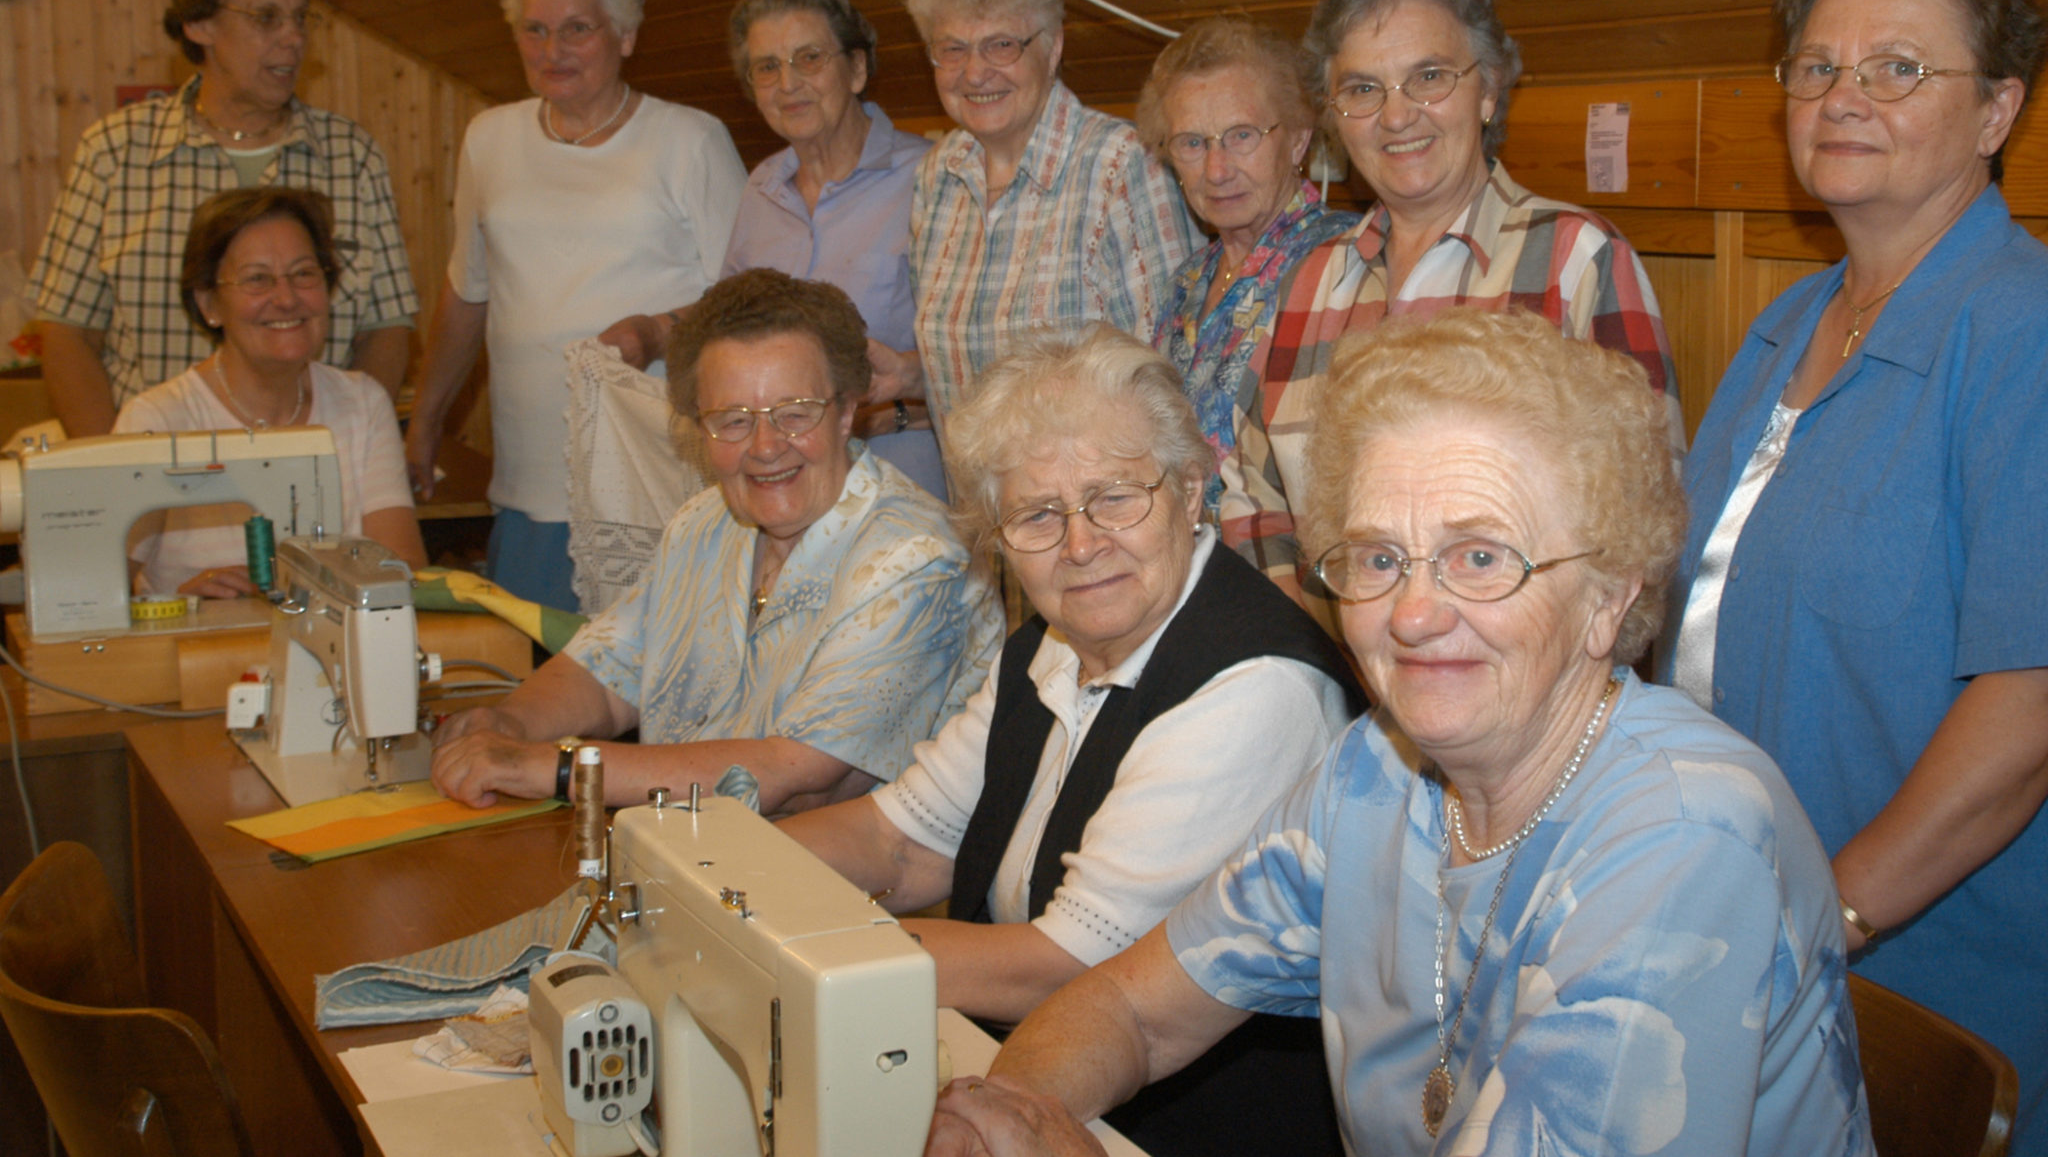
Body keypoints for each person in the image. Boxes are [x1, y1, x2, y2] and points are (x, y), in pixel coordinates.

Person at [931, 309, 1872, 1157]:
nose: (1414, 613)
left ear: (1609, 595)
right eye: (1380, 557)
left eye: (1479, 557)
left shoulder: (1685, 838)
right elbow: (1134, 1009)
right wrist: (1006, 1111)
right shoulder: (1376, 776)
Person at [1663, 0, 2048, 1154]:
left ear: (1995, 108)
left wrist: (1828, 913)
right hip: (1737, 924)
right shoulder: (1781, 325)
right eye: (1816, 65)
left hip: (1925, 971)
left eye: (1896, 67)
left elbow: (2028, 702)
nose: (1842, 95)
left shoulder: (2020, 328)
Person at [780, 324, 1357, 1157]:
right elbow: (897, 840)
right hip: (1015, 1081)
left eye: (1117, 496)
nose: (1082, 544)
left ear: (1192, 491)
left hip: (1179, 1130)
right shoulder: (1052, 643)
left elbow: (1067, 966)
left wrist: (798, 950)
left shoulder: (1256, 686)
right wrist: (724, 874)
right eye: (1038, 513)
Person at [1216, 0, 1681, 635]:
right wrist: (1326, 654)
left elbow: (1646, 517)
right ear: (1337, 117)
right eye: (1364, 90)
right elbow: (1251, 497)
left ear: (1488, 90)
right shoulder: (1310, 281)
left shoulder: (1577, 260)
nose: (1397, 115)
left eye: (1429, 77)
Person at [431, 270, 1001, 814]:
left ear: (847, 411)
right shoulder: (704, 524)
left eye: (795, 414)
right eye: (732, 420)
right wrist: (510, 726)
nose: (766, 446)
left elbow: (794, 779)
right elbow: (607, 674)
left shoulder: (917, 559)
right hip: (691, 862)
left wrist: (553, 768)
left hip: (847, 895)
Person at [405, 0, 746, 612]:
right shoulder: (489, 138)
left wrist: (655, 331)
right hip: (527, 488)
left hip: (655, 482)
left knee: (651, 706)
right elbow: (467, 295)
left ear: (625, 34)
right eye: (534, 30)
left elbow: (746, 303)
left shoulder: (690, 140)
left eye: (576, 29)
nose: (552, 50)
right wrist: (424, 421)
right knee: (532, 696)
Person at [30, 0, 416, 436]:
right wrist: (116, 472)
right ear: (199, 24)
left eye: (301, 18)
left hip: (308, 472)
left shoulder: (351, 155)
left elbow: (386, 328)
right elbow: (65, 332)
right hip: (156, 468)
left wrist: (347, 450)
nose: (294, 37)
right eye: (266, 18)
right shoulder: (116, 151)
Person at [865, 0, 1203, 451]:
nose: (975, 72)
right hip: (979, 515)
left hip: (1091, 507)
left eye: (1001, 44)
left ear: (1053, 47)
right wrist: (912, 377)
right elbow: (972, 357)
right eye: (952, 49)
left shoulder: (1122, 165)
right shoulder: (937, 176)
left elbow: (1173, 372)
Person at [112, 188, 426, 596]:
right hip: (196, 654)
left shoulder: (362, 404)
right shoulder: (156, 422)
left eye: (303, 274)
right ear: (209, 303)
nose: (286, 298)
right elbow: (93, 594)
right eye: (257, 279)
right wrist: (182, 604)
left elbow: (403, 570)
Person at [716, 0, 945, 499]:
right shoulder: (762, 187)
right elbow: (731, 330)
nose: (788, 82)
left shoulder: (933, 179)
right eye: (766, 68)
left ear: (857, 68)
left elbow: (983, 353)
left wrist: (898, 407)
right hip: (780, 486)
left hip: (901, 486)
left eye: (809, 58)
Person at [1136, 17, 1357, 513]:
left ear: (1297, 141)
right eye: (1192, 143)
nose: (1217, 170)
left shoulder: (1342, 261)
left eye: (1241, 136)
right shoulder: (1187, 281)